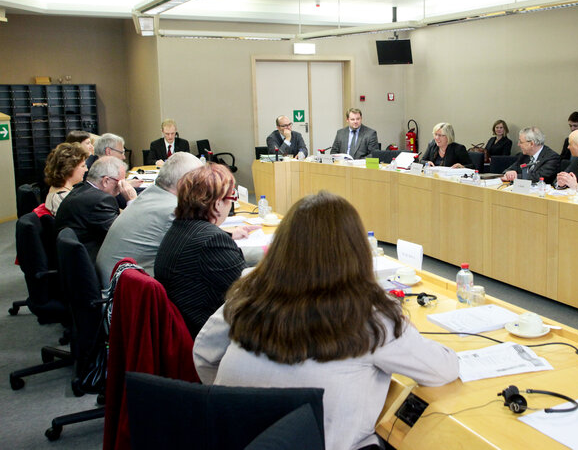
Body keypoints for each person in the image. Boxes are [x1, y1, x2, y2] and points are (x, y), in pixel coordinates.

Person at [193, 191, 459, 450]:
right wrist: (402, 327)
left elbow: (203, 355)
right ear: (356, 252)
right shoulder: (372, 315)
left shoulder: (248, 293)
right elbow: (443, 369)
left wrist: (237, 401)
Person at [154, 163, 251, 338]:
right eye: (231, 197)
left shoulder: (182, 228)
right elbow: (249, 295)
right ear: (217, 202)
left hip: (184, 324)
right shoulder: (211, 241)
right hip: (208, 335)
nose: (231, 204)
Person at [95, 152, 203, 286]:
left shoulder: (149, 193)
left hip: (112, 281)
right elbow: (197, 253)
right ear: (184, 183)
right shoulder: (173, 210)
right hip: (122, 294)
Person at [55, 156, 137, 263]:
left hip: (71, 260)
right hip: (90, 262)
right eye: (121, 182)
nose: (123, 186)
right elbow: (127, 236)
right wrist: (132, 201)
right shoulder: (100, 200)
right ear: (106, 181)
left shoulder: (82, 189)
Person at [43, 142, 89, 216]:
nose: (86, 169)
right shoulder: (63, 199)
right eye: (83, 166)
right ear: (69, 169)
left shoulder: (57, 189)